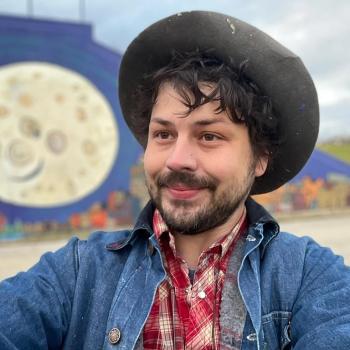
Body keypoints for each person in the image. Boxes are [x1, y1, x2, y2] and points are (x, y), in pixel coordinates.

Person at [1, 10, 350, 350]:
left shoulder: (309, 276)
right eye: (164, 135)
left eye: (209, 136)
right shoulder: (77, 273)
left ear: (260, 158)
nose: (177, 159)